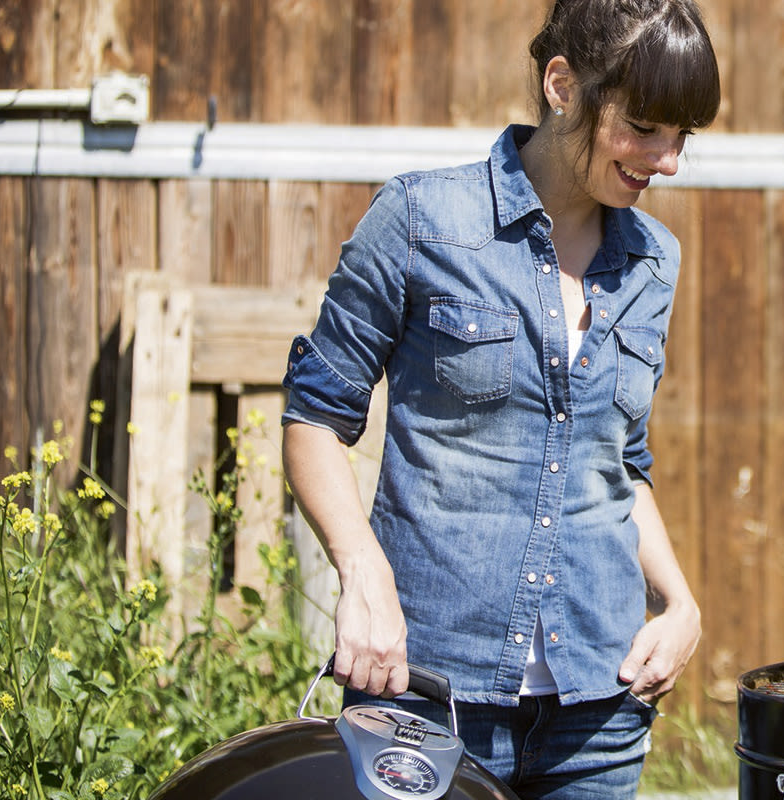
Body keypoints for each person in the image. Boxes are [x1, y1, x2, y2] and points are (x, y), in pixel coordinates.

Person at [280, 1, 719, 796]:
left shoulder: (654, 262)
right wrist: (362, 571)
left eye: (683, 135)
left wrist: (681, 602)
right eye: (644, 126)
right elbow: (314, 416)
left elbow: (617, 465)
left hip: (600, 708)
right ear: (562, 86)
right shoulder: (421, 220)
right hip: (427, 692)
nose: (669, 161)